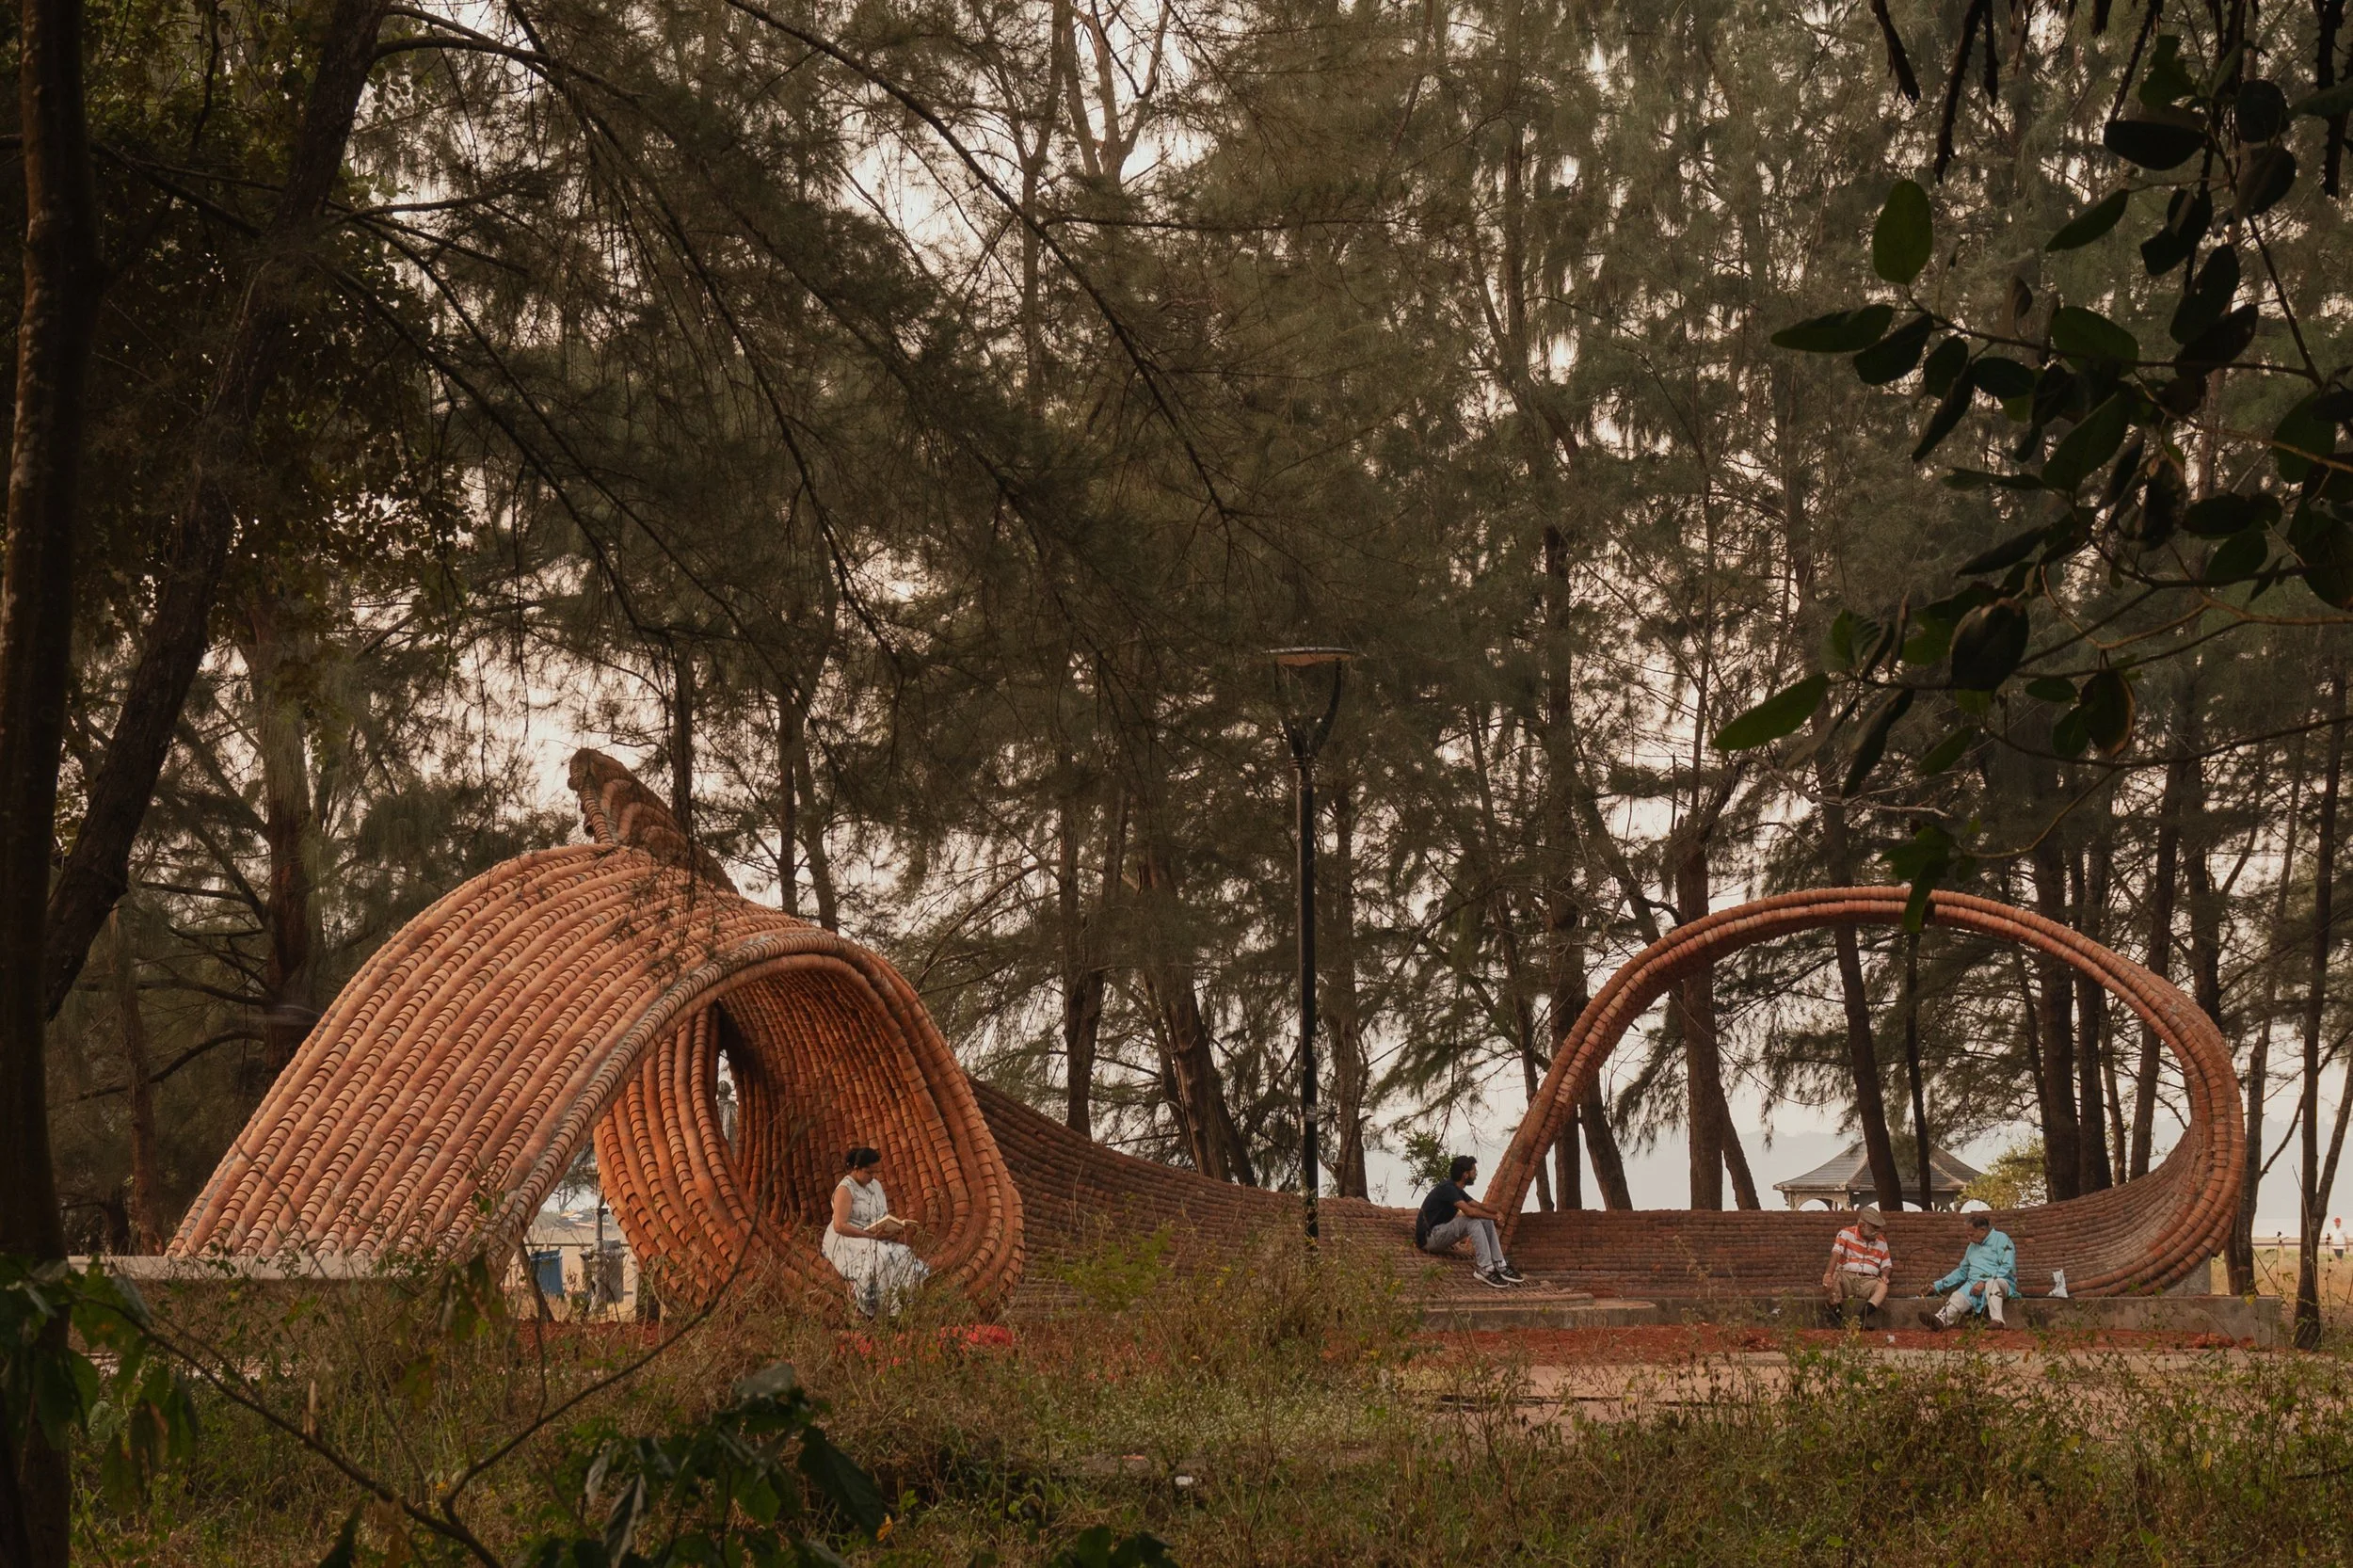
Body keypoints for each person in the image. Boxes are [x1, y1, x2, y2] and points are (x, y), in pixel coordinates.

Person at [823, 1145, 931, 1318]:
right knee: (880, 1257)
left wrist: (890, 1229)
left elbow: (881, 1215)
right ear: (856, 1169)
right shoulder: (845, 1189)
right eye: (869, 1172)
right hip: (848, 1236)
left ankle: (902, 1306)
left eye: (875, 1173)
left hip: (874, 1234)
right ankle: (876, 1309)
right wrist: (871, 1236)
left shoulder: (875, 1185)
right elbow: (840, 1226)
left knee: (903, 1254)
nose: (872, 1176)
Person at [1416, 1156, 1524, 1288]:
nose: (1476, 1173)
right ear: (1465, 1175)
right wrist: (1495, 1218)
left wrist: (1497, 1213)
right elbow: (1470, 1212)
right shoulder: (1447, 1188)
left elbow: (1479, 1206)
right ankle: (1485, 1268)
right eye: (1474, 1170)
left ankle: (1499, 1263)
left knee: (1485, 1219)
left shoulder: (1457, 1190)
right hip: (1429, 1238)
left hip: (1440, 1234)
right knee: (1471, 1221)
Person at [1924, 1210, 2017, 1329]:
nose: (1969, 1239)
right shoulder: (1972, 1247)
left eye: (1971, 1235)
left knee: (1991, 1283)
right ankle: (1940, 1321)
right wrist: (1937, 1286)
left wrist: (1984, 1282)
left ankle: (1997, 1321)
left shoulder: (2002, 1239)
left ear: (1982, 1230)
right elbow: (1962, 1271)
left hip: (2001, 1282)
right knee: (1958, 1296)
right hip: (1974, 1284)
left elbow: (2007, 1265)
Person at [1822, 1206, 1892, 1325]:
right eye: (1874, 1228)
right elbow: (1836, 1254)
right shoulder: (1845, 1234)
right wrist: (1828, 1274)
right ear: (1862, 1225)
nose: (1877, 1231)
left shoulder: (1881, 1241)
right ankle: (1838, 1317)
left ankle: (1859, 1320)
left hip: (1868, 1280)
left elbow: (1887, 1265)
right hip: (1846, 1276)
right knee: (1833, 1278)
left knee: (1883, 1288)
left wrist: (1885, 1275)